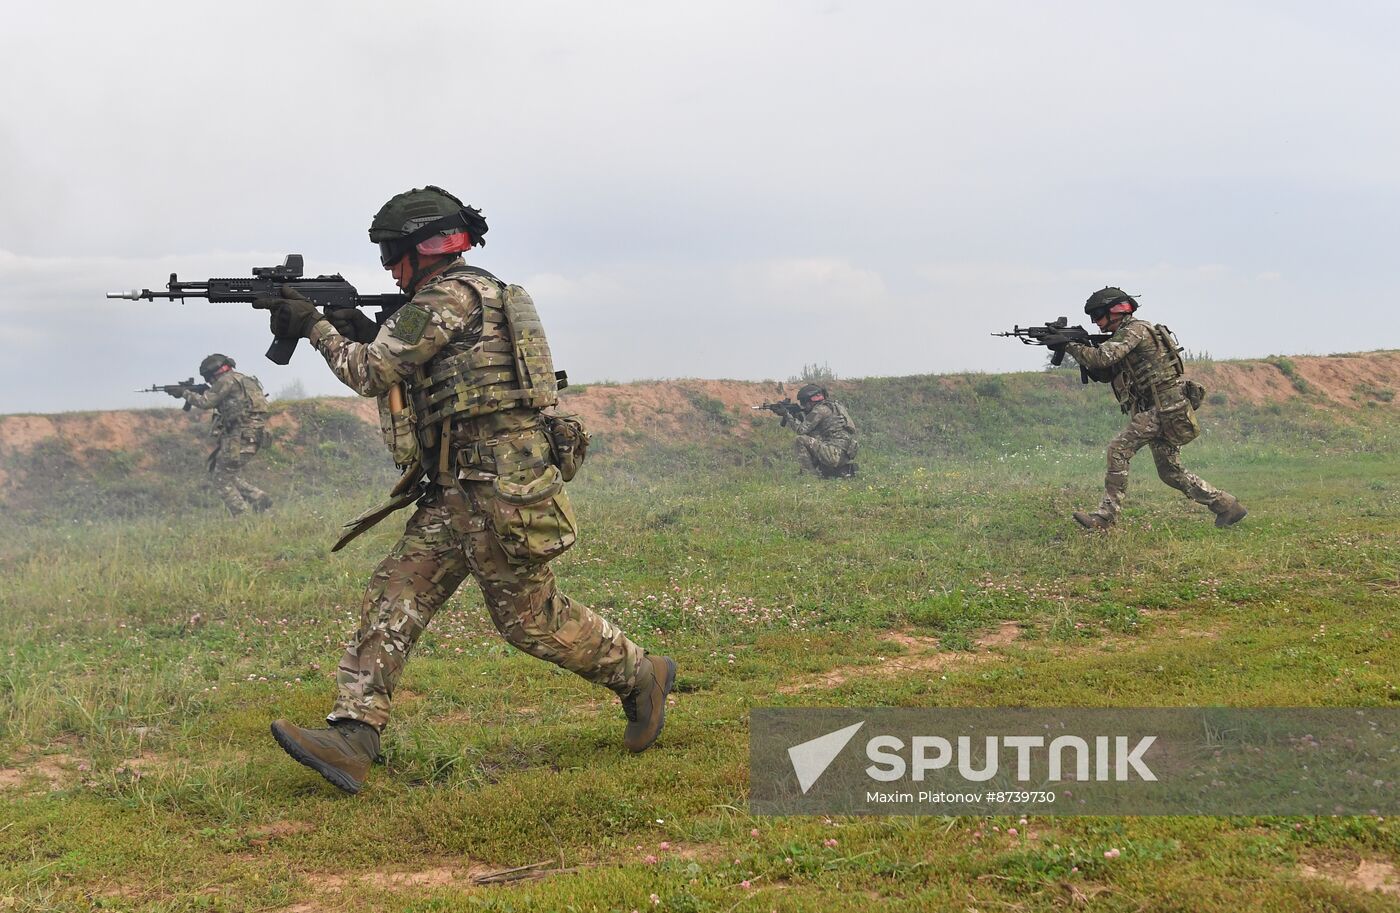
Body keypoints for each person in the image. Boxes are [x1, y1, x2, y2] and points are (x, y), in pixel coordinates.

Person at [254, 186, 676, 794]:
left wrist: (316, 327)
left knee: (529, 620)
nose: (386, 269)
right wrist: (356, 326)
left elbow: (369, 370)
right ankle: (353, 735)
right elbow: (418, 363)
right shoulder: (460, 297)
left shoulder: (450, 296)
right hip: (459, 488)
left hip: (499, 491)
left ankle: (642, 675)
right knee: (395, 596)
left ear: (417, 249)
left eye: (388, 254)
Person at [1058, 287, 1246, 530]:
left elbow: (1102, 358)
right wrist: (1071, 344)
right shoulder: (1125, 335)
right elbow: (1105, 371)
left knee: (1118, 450)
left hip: (1163, 407)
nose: (1096, 323)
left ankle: (1104, 518)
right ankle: (1227, 506)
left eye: (1098, 316)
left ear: (1114, 311)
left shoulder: (1136, 330)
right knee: (1170, 472)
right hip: (1162, 408)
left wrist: (1070, 346)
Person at [177, 354, 272, 516]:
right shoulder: (244, 379)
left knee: (220, 479)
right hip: (254, 434)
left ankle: (242, 516)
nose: (209, 382)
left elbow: (205, 402)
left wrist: (184, 393)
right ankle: (258, 497)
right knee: (228, 474)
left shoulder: (226, 380)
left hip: (240, 435)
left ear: (212, 373)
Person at [786, 384, 859, 478]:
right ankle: (829, 471)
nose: (804, 406)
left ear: (810, 401)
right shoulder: (835, 406)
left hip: (833, 454)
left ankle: (809, 475)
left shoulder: (820, 410)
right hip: (845, 453)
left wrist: (787, 416)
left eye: (804, 403)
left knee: (800, 439)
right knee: (814, 436)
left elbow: (801, 430)